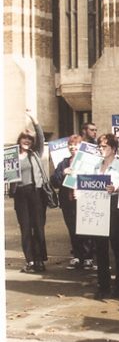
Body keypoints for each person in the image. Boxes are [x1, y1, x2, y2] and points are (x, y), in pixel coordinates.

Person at [91, 133, 119, 299]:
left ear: (113, 148)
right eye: (99, 146)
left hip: (115, 207)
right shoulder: (95, 165)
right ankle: (103, 285)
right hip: (98, 206)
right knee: (100, 248)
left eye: (104, 146)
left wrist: (117, 188)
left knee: (118, 247)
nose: (101, 149)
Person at [10, 115, 48, 273]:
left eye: (29, 139)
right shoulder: (10, 156)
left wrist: (35, 120)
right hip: (20, 194)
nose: (26, 141)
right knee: (25, 228)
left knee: (38, 227)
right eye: (24, 139)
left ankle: (40, 260)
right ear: (19, 140)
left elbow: (40, 137)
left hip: (35, 192)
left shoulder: (35, 154)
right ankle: (30, 261)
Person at [51, 135, 94, 270]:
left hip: (83, 200)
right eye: (71, 145)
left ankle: (88, 257)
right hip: (67, 201)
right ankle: (77, 256)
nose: (73, 147)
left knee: (86, 229)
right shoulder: (63, 163)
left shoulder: (87, 162)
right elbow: (54, 181)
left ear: (81, 146)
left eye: (76, 145)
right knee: (72, 229)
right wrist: (63, 173)